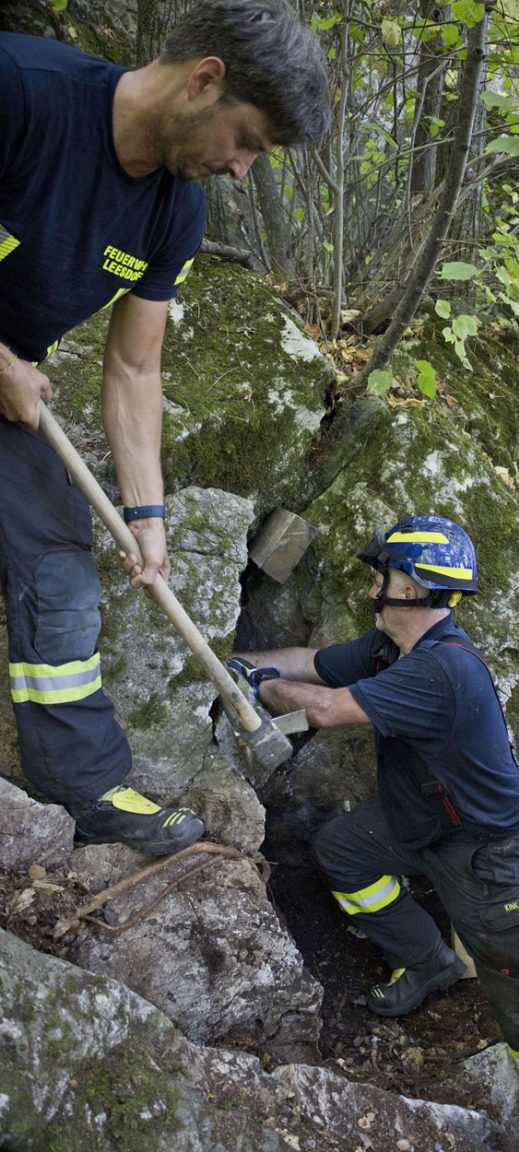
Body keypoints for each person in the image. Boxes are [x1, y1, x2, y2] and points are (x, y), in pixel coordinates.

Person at [0, 1, 329, 855]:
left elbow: (135, 369)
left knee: (60, 556)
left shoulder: (173, 212)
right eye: (248, 140)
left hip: (6, 390)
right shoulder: (22, 90)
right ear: (204, 79)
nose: (243, 169)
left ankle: (87, 785)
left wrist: (147, 517)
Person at [229, 514, 519, 1152]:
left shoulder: (442, 670)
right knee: (340, 851)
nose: (373, 585)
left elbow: (323, 708)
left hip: (486, 854)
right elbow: (315, 666)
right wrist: (239, 660)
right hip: (420, 822)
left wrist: (259, 687)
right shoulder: (391, 648)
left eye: (383, 574)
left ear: (410, 588)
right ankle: (426, 960)